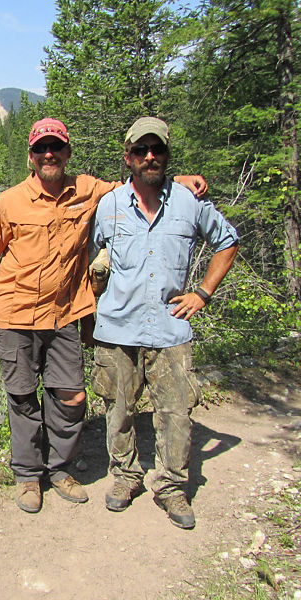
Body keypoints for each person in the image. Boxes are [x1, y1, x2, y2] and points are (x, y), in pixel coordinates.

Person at [0, 118, 206, 514]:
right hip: (13, 315)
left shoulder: (87, 190)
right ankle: (28, 476)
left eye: (57, 147)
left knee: (72, 396)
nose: (50, 154)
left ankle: (60, 469)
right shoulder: (8, 202)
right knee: (23, 398)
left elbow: (131, 186)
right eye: (42, 148)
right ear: (31, 157)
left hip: (64, 313)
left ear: (67, 153)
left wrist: (175, 179)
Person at [90, 116, 239, 529]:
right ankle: (125, 476)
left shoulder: (189, 204)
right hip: (117, 327)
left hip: (171, 327)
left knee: (176, 412)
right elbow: (91, 259)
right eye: (141, 150)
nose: (149, 156)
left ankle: (172, 486)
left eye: (156, 149)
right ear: (128, 157)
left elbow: (227, 241)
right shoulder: (109, 205)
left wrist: (202, 293)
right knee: (118, 409)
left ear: (167, 154)